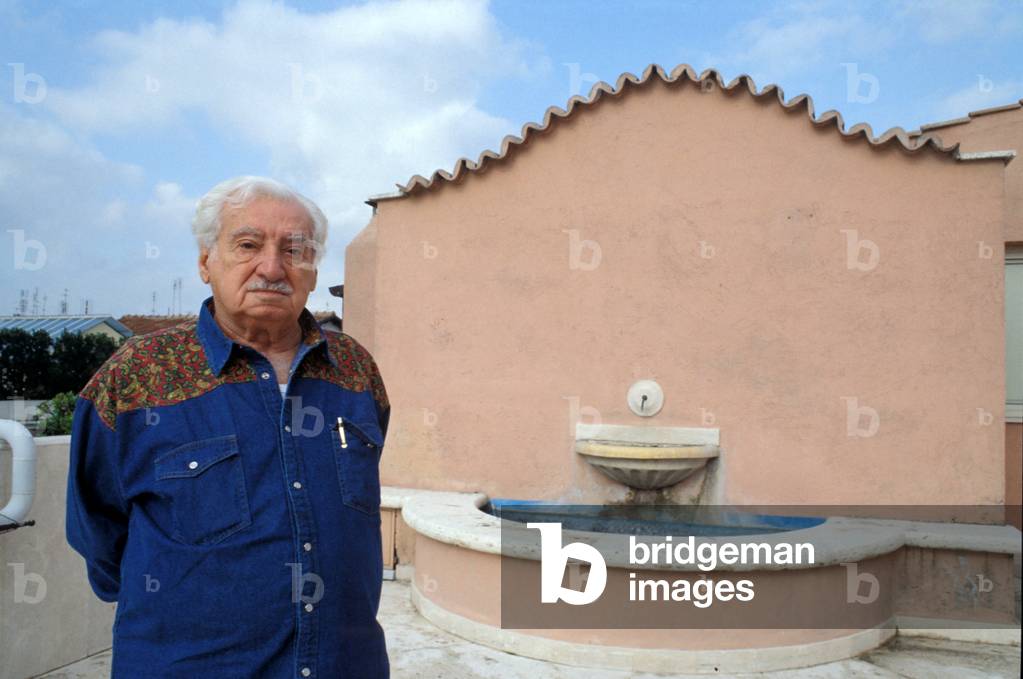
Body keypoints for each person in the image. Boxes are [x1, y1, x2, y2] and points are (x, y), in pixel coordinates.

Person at [66, 176, 390, 678]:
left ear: (312, 270)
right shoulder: (135, 377)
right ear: (205, 262)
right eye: (247, 245)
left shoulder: (355, 369)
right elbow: (97, 529)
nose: (272, 267)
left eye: (295, 250)